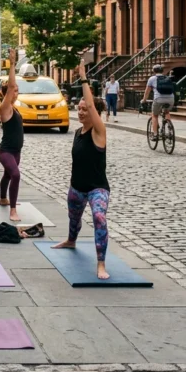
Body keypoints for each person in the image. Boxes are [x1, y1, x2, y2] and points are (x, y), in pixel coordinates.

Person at [52, 62, 111, 281]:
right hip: (77, 187)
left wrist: (84, 79)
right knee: (73, 219)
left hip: (97, 188)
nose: (81, 112)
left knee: (99, 218)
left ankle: (101, 264)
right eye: (79, 109)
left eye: (85, 109)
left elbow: (93, 109)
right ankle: (71, 240)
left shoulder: (99, 132)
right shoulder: (77, 132)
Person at [0, 48, 24, 221]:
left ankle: (2, 198)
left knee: (8, 175)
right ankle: (13, 210)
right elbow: (12, 85)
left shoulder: (14, 108)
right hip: (5, 150)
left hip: (16, 151)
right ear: (8, 92)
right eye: (15, 90)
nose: (17, 91)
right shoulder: (5, 107)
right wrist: (12, 64)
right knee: (15, 175)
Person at [144, 65, 176, 140]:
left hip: (159, 99)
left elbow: (147, 91)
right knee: (167, 112)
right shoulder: (168, 78)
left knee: (155, 115)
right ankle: (169, 129)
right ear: (162, 71)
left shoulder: (152, 79)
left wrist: (144, 100)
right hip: (171, 99)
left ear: (154, 71)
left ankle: (155, 134)